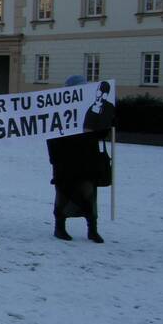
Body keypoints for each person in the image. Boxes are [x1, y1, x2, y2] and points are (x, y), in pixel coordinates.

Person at [48, 75, 111, 243]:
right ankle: (59, 227)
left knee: (89, 195)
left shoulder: (92, 109)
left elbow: (101, 133)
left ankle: (92, 229)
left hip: (87, 161)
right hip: (66, 163)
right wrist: (55, 160)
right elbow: (51, 136)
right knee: (64, 195)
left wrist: (107, 120)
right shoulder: (59, 111)